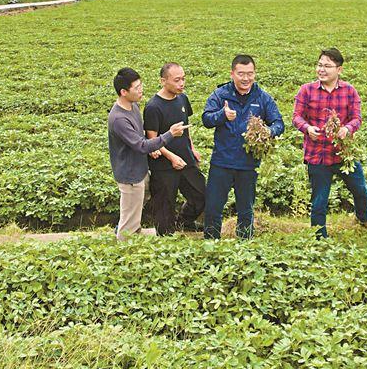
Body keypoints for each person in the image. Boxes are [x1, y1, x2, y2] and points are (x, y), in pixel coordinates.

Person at [292, 48, 367, 238]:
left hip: (344, 154)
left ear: (339, 70)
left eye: (327, 66)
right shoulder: (306, 90)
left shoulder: (349, 91)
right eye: (320, 65)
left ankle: (363, 218)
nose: (321, 69)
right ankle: (319, 235)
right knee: (319, 200)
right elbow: (296, 117)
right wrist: (307, 128)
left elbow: (357, 118)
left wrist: (347, 129)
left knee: (360, 189)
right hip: (318, 155)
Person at [202, 54, 284, 239]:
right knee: (214, 207)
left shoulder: (262, 97)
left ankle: (244, 244)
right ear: (232, 74)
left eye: (250, 73)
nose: (246, 78)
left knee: (246, 209)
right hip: (222, 161)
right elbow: (206, 118)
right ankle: (210, 244)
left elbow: (279, 123)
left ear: (254, 73)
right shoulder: (220, 94)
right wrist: (222, 115)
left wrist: (267, 131)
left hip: (248, 163)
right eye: (241, 73)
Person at [107, 67, 189, 240]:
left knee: (133, 211)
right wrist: (169, 135)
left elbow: (139, 138)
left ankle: (131, 235)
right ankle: (124, 249)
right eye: (136, 88)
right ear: (123, 92)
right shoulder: (119, 118)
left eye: (140, 85)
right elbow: (141, 145)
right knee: (129, 221)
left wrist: (152, 148)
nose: (141, 90)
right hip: (130, 175)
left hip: (140, 170)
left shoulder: (133, 106)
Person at [143, 62, 206, 236]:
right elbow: (152, 139)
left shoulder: (182, 99)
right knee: (164, 207)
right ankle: (166, 240)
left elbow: (186, 127)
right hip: (163, 165)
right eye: (177, 80)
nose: (181, 83)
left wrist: (192, 148)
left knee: (201, 194)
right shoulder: (153, 107)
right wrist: (171, 157)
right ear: (163, 81)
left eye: (183, 79)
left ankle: (185, 221)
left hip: (185, 158)